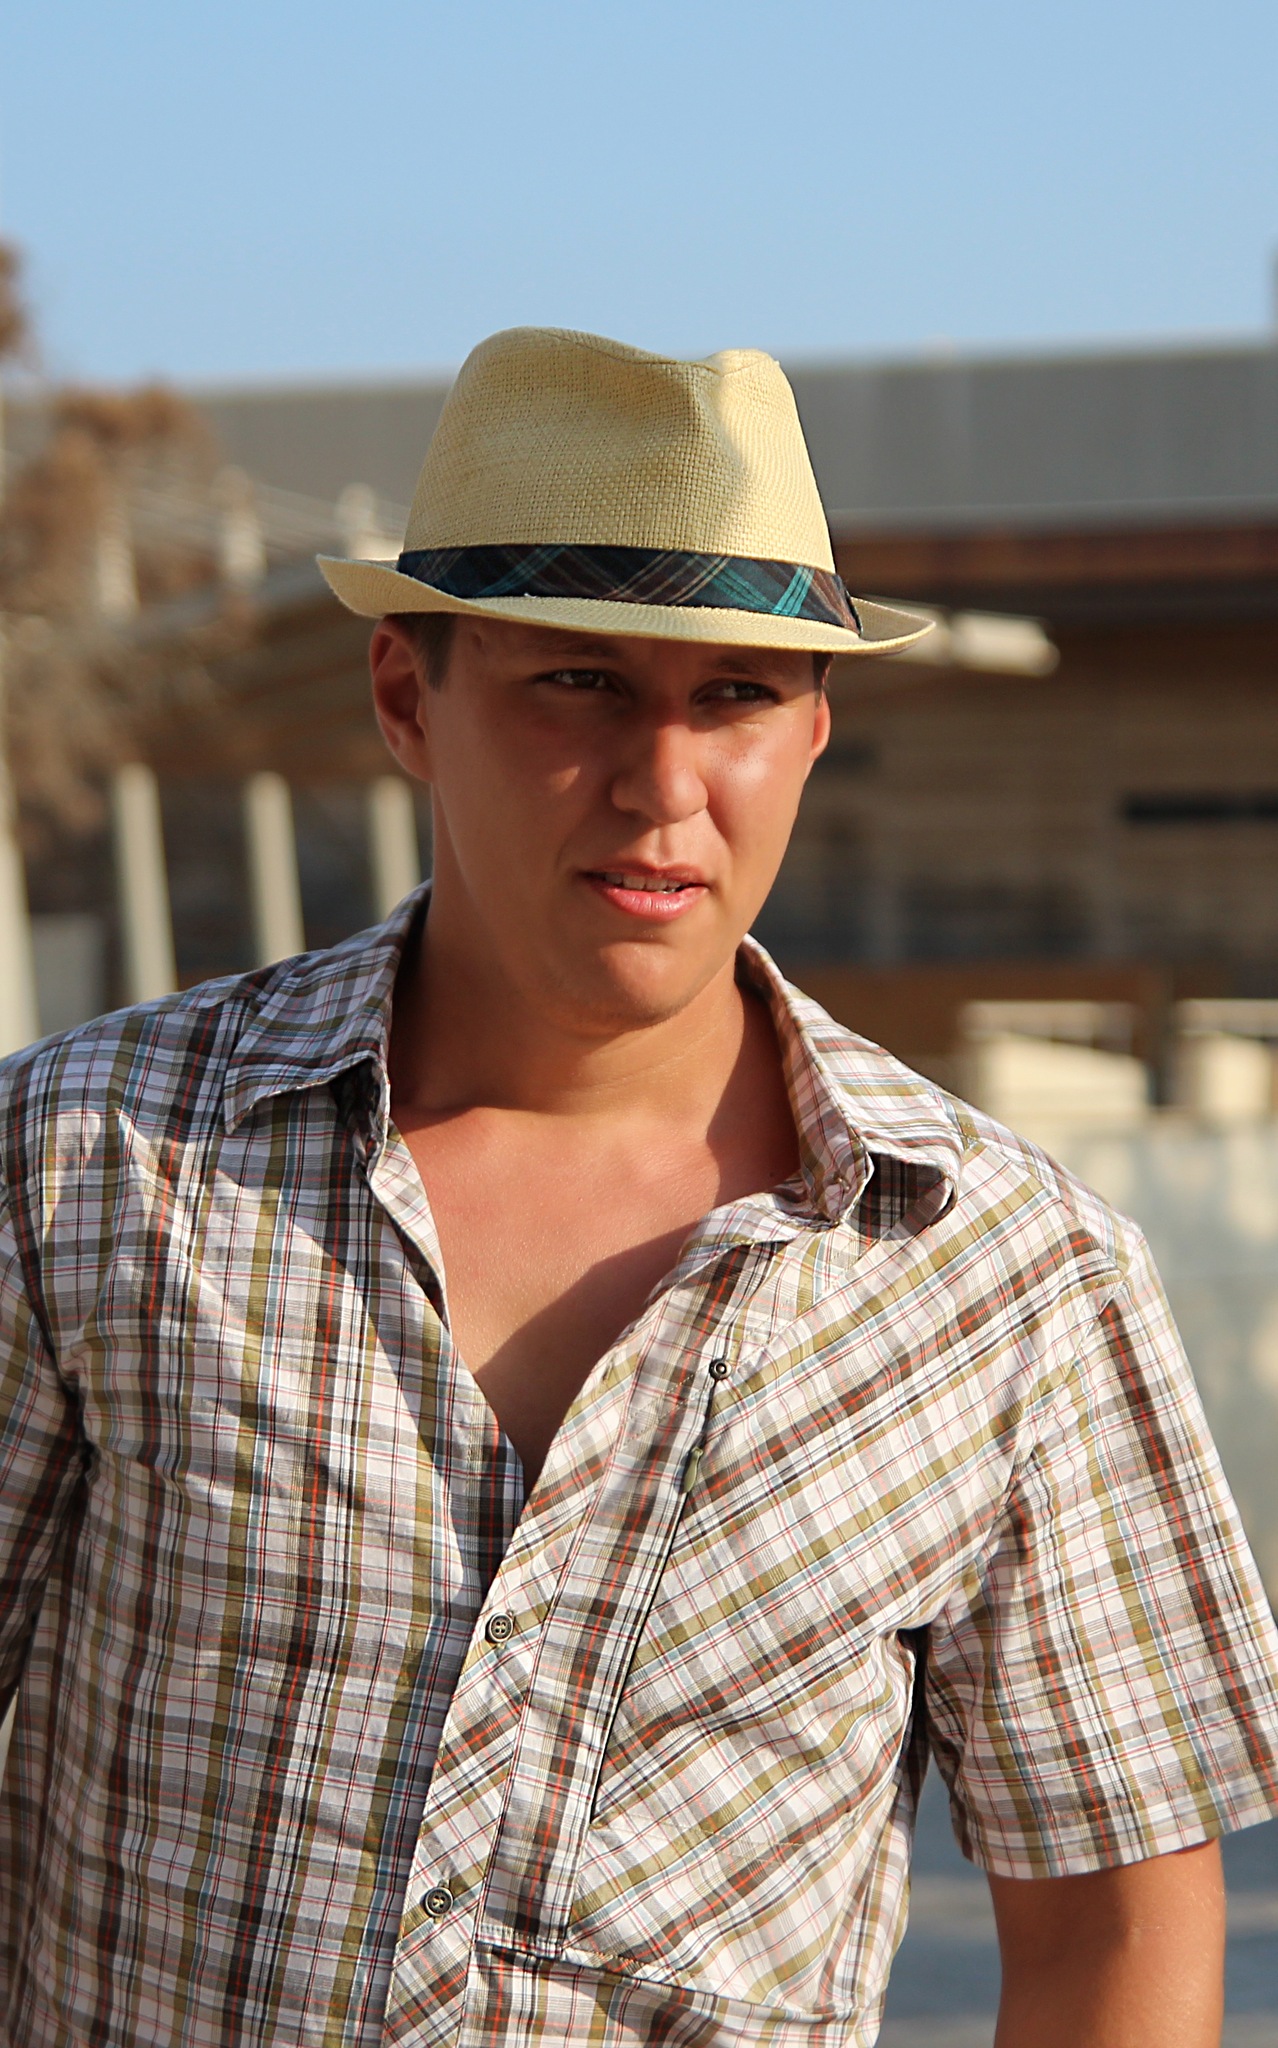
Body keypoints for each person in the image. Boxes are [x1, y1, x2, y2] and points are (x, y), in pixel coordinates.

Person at [1, 326, 1276, 2048]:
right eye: (578, 683)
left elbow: (1114, 1932)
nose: (661, 786)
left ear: (812, 730)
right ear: (406, 699)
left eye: (734, 695)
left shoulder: (1010, 1277)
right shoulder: (94, 1160)